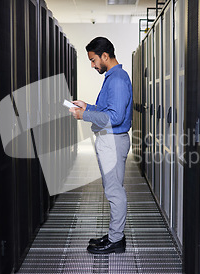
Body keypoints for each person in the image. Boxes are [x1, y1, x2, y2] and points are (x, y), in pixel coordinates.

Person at [69, 37, 133, 254]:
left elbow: (115, 117)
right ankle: (115, 234)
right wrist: (88, 106)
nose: (93, 65)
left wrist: (84, 115)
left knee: (115, 191)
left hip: (113, 140)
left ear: (105, 56)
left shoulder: (117, 79)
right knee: (111, 188)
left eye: (94, 60)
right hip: (110, 140)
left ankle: (116, 240)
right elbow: (107, 109)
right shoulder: (113, 77)